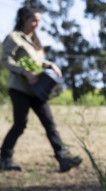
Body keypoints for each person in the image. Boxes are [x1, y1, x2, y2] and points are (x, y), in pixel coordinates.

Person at [0, 6, 81, 172]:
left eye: (39, 20)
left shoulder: (35, 41)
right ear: (24, 19)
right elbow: (5, 60)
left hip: (37, 89)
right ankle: (4, 158)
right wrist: (25, 72)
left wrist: (51, 64)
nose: (37, 24)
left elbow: (37, 61)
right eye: (34, 20)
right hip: (20, 89)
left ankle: (63, 158)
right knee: (20, 124)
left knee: (50, 123)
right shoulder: (14, 38)